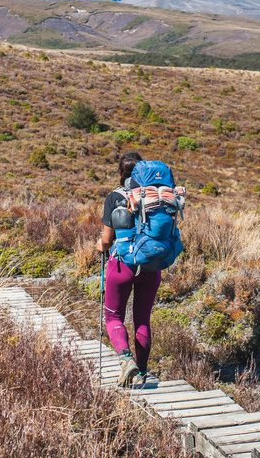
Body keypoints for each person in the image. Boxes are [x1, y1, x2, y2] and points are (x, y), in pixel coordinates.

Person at [97, 151, 161, 387]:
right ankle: (143, 371)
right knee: (143, 319)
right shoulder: (155, 197)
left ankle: (126, 360)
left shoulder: (114, 197)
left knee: (113, 316)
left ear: (120, 173)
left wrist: (100, 245)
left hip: (122, 265)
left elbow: (106, 240)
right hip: (150, 266)